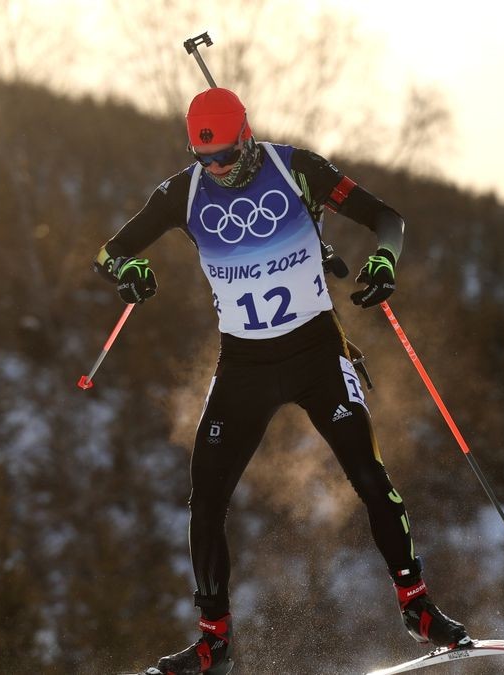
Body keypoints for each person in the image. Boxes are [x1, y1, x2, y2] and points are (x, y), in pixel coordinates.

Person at [93, 87, 468, 675]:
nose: (216, 169)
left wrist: (385, 260)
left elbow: (387, 219)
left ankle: (417, 607)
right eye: (203, 158)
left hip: (317, 352)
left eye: (225, 156)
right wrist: (128, 269)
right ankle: (214, 642)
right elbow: (110, 251)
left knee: (369, 476)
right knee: (206, 499)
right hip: (244, 365)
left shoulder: (297, 169)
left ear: (246, 135)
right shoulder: (183, 193)